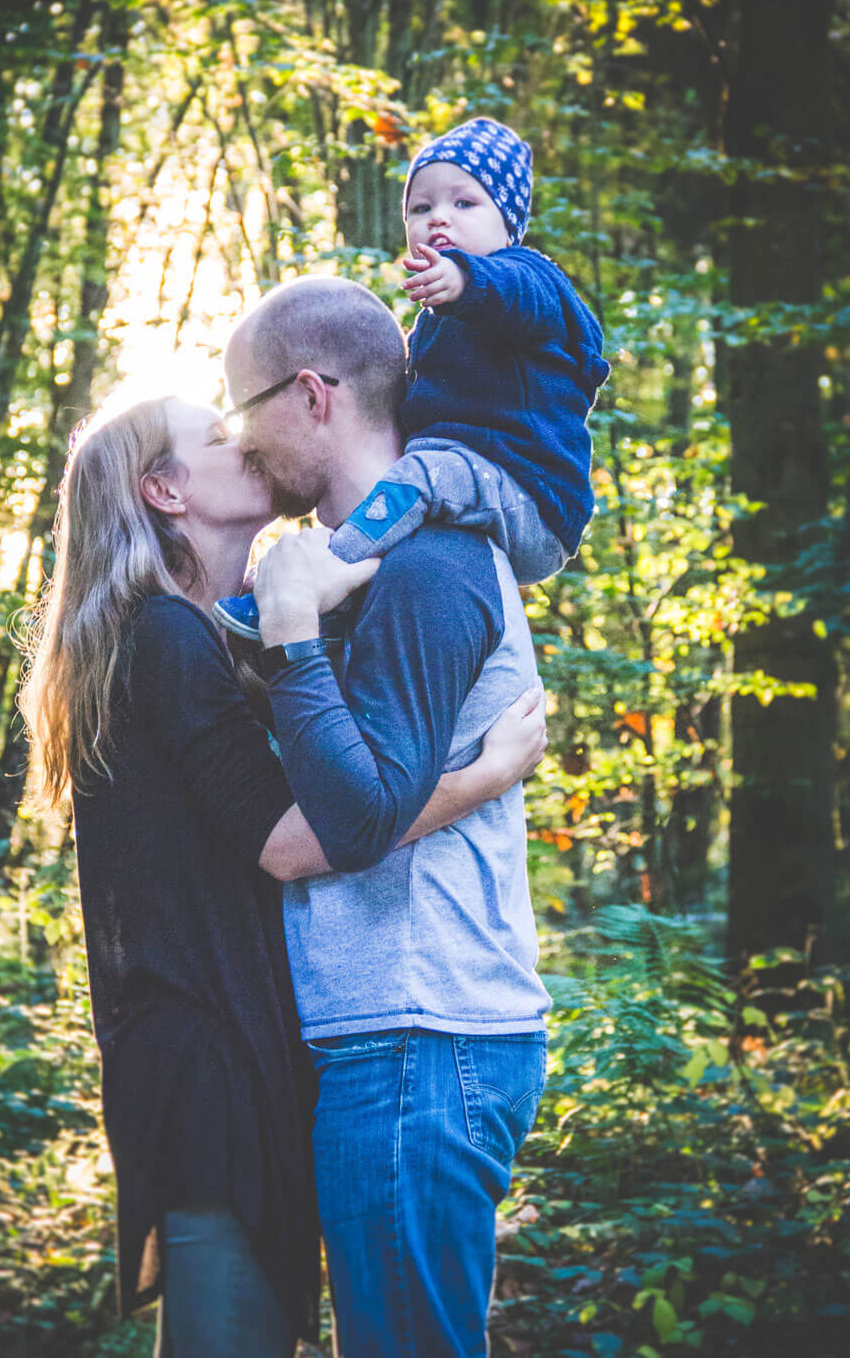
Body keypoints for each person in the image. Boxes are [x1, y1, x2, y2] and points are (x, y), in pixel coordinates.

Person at [18, 393, 548, 1358]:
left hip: (222, 1046)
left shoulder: (198, 637)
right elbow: (295, 843)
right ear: (165, 490)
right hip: (210, 1063)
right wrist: (482, 778)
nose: (244, 438)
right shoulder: (164, 639)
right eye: (215, 438)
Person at [221, 273, 557, 1357]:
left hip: (422, 1032)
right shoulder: (361, 567)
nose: (239, 446)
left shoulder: (431, 562)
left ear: (312, 395)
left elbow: (360, 823)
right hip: (395, 1033)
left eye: (244, 411)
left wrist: (289, 635)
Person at [214, 114, 608, 643]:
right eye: (421, 208)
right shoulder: (432, 325)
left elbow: (516, 296)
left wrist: (468, 279)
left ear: (507, 221)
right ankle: (338, 611)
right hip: (476, 482)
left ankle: (316, 582)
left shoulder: (532, 279)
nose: (438, 218)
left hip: (532, 494)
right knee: (398, 493)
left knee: (415, 478)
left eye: (464, 203)